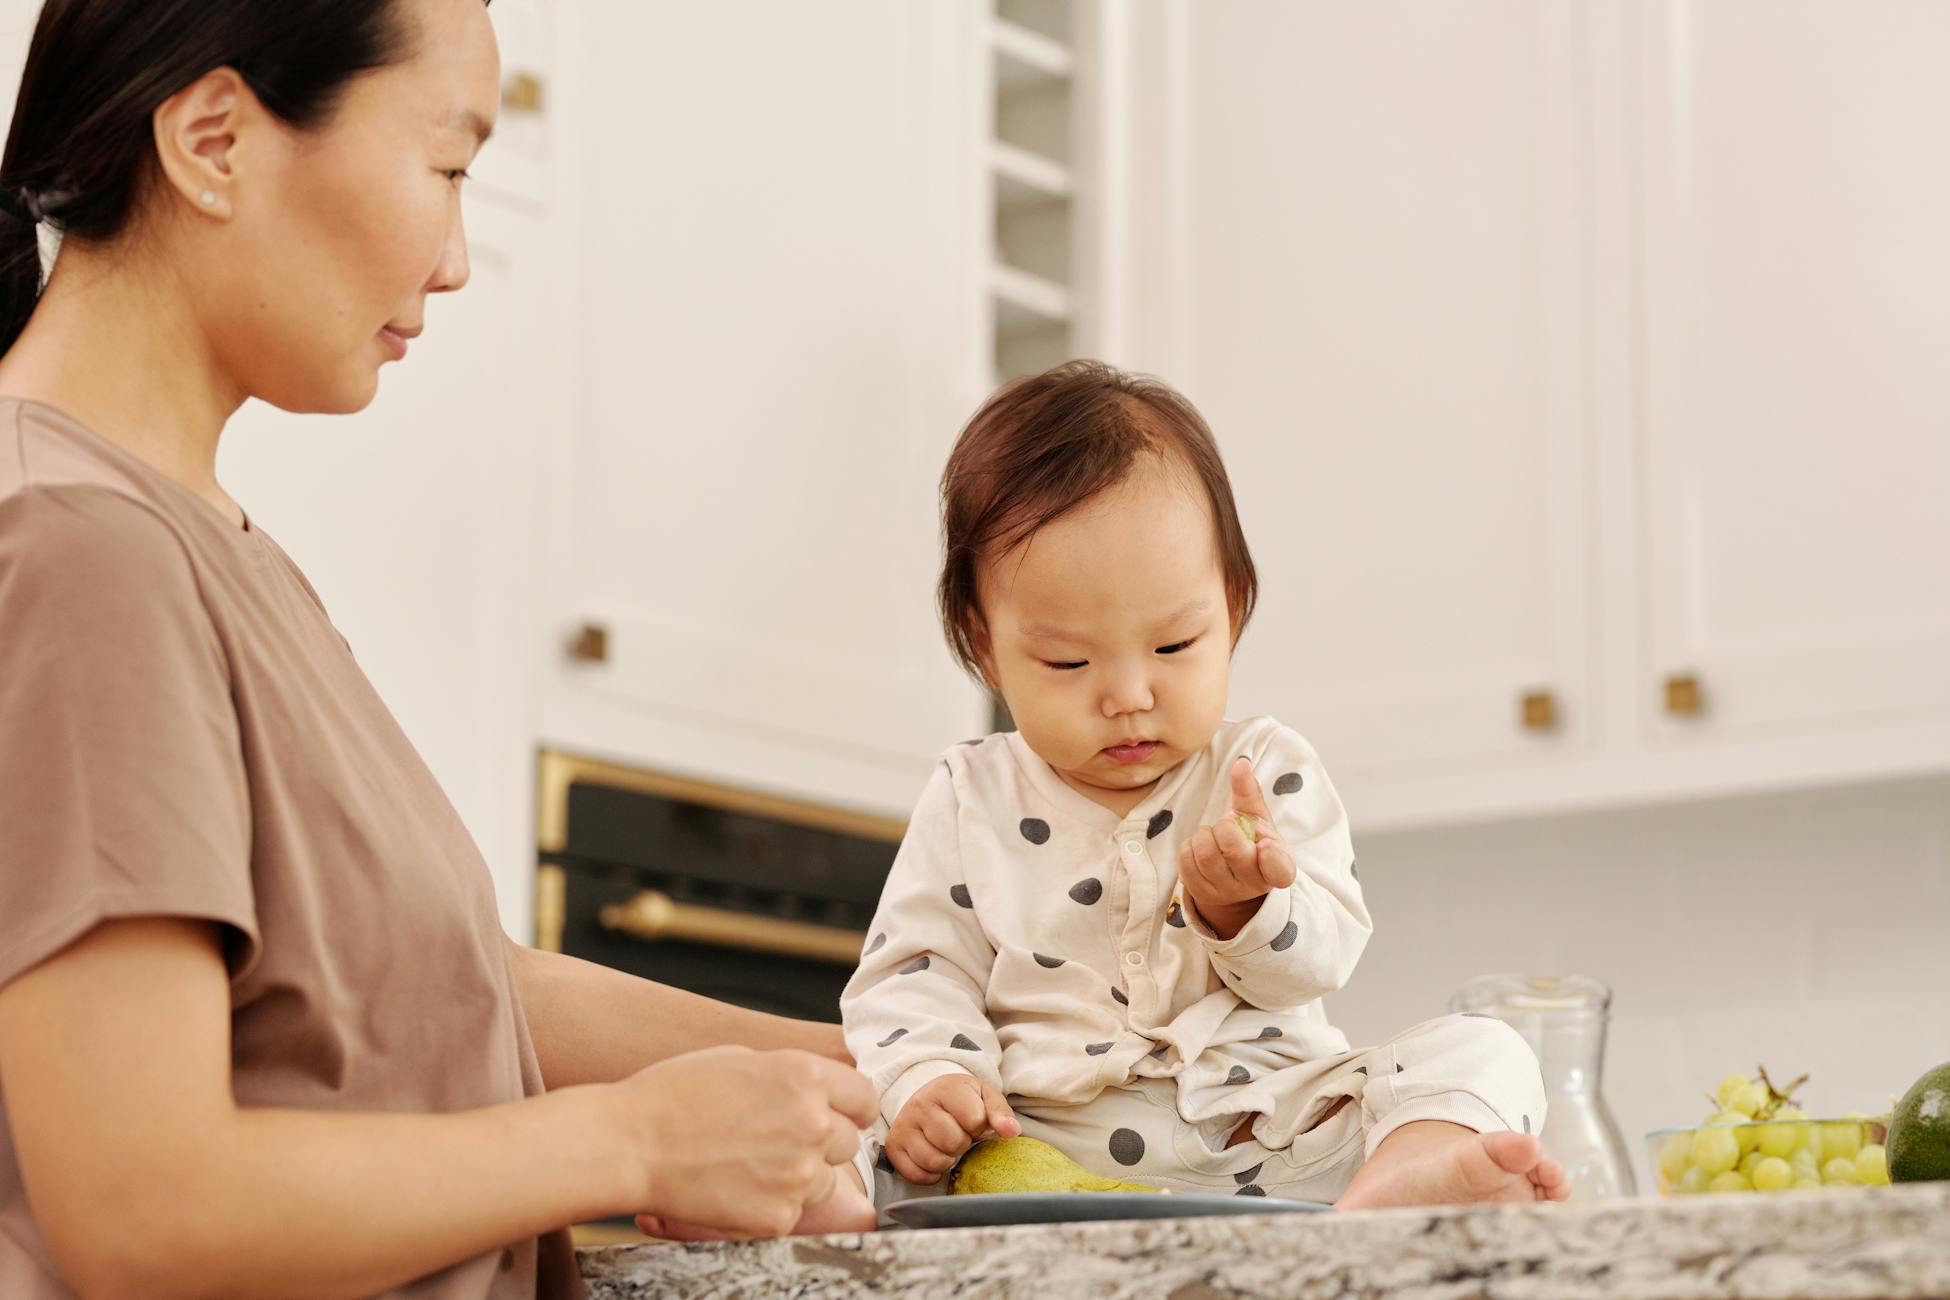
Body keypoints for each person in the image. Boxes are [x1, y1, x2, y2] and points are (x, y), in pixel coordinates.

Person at [0, 3, 875, 1297]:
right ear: (214, 139)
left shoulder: (195, 546)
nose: (458, 258)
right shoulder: (83, 548)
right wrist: (628, 1144)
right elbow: (146, 1206)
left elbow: (440, 994)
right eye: (449, 166)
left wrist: (883, 1072)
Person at [841, 361, 1574, 1208]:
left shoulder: (1262, 768)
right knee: (838, 1118)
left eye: (1175, 646)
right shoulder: (971, 793)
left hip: (1266, 1135)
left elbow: (1321, 962)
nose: (1128, 695)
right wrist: (933, 1078)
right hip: (1039, 1149)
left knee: (1485, 1046)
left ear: (1232, 607)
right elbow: (913, 974)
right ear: (983, 644)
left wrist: (1248, 913)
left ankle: (1401, 1181)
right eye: (1068, 661)